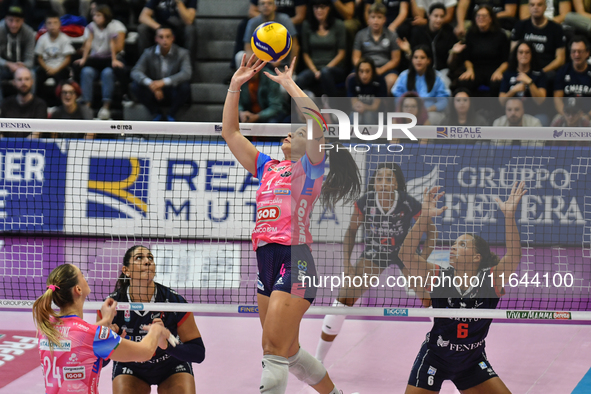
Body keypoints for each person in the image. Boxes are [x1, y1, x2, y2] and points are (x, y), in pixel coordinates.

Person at [222, 53, 361, 393]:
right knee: (288, 351)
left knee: (272, 351)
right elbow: (230, 132)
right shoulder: (267, 167)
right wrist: (234, 87)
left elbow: (318, 125)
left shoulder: (310, 168)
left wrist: (289, 84)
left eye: (297, 132)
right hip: (265, 260)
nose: (290, 133)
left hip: (295, 259)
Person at [400, 182, 527, 393]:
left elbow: (514, 255)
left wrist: (509, 216)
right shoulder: (438, 277)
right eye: (455, 243)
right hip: (435, 359)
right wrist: (424, 217)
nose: (453, 247)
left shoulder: (491, 280)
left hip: (472, 362)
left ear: (477, 257)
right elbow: (405, 256)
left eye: (462, 244)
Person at [315, 162, 436, 364]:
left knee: (427, 297)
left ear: (396, 184)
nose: (383, 183)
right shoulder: (365, 202)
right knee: (345, 297)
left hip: (405, 253)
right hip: (375, 252)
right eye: (379, 179)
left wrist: (422, 259)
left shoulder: (408, 203)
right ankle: (318, 360)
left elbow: (431, 231)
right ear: (374, 183)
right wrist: (347, 264)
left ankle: (452, 351)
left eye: (389, 179)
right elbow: (352, 231)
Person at [32, 263, 173, 394]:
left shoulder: (45, 327)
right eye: (81, 275)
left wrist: (105, 320)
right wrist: (156, 330)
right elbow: (145, 353)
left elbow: (77, 334)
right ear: (78, 289)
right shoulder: (95, 335)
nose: (85, 277)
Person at [97, 245, 205, 394]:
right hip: (131, 367)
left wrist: (167, 344)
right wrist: (108, 343)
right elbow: (98, 361)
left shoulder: (174, 302)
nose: (147, 261)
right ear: (126, 270)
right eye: (139, 258)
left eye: (150, 258)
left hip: (171, 367)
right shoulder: (112, 306)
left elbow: (198, 353)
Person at [74, 4, 126, 120]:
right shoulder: (91, 27)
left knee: (108, 73)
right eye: (94, 15)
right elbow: (88, 43)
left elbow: (113, 44)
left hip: (107, 58)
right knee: (85, 70)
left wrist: (114, 59)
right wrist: (84, 59)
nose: (95, 18)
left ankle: (106, 107)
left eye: (98, 15)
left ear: (105, 16)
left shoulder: (112, 27)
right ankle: (86, 104)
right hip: (95, 59)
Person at [130, 25, 192, 121]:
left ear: (173, 38)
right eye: (161, 37)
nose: (164, 40)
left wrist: (163, 82)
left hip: (172, 90)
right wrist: (151, 84)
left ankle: (171, 114)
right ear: (156, 39)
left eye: (167, 37)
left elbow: (186, 73)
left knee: (185, 87)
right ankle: (156, 113)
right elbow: (135, 71)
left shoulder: (182, 53)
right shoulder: (148, 53)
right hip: (154, 91)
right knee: (135, 86)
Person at [450, 5, 509, 97]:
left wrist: (499, 71)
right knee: (464, 81)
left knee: (497, 83)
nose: (481, 18)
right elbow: (467, 58)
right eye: (478, 16)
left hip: (494, 69)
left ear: (491, 19)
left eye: (484, 16)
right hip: (475, 69)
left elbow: (506, 60)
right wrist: (469, 70)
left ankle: (496, 111)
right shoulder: (470, 34)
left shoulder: (501, 35)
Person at [396, 3, 456, 87]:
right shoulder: (418, 32)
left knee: (444, 83)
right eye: (436, 16)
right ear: (429, 15)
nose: (438, 20)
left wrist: (453, 53)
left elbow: (450, 64)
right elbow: (415, 59)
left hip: (442, 70)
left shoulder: (449, 33)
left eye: (441, 16)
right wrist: (408, 51)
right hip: (422, 70)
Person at [296, 0, 347, 97]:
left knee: (326, 74)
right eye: (316, 7)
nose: (319, 10)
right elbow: (305, 53)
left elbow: (341, 53)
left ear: (329, 8)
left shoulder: (338, 25)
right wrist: (315, 71)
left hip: (334, 68)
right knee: (300, 79)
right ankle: (295, 110)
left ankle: (333, 107)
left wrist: (325, 69)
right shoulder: (307, 25)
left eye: (322, 7)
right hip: (314, 68)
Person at [510, 0, 565, 86]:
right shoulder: (520, 26)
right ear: (528, 7)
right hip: (524, 69)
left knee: (551, 77)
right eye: (532, 5)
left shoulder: (556, 29)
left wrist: (541, 72)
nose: (535, 7)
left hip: (545, 70)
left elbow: (560, 59)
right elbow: (513, 52)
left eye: (539, 5)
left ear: (545, 7)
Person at [392, 45, 450, 124]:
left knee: (428, 119)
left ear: (428, 60)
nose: (418, 60)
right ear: (412, 59)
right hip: (407, 111)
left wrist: (425, 111)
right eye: (415, 57)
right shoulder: (404, 76)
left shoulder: (438, 77)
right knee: (394, 120)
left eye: (422, 58)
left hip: (430, 111)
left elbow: (443, 101)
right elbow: (397, 99)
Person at [352, 2, 401, 92]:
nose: (376, 20)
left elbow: (395, 60)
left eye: (379, 17)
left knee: (392, 80)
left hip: (385, 69)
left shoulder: (392, 35)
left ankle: (386, 106)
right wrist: (365, 70)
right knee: (350, 78)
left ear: (384, 19)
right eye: (373, 17)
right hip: (365, 69)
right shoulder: (360, 35)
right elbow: (355, 58)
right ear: (368, 19)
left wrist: (381, 70)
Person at [35, 11, 75, 106]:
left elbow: (68, 58)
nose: (52, 26)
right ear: (45, 25)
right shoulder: (42, 39)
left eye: (55, 23)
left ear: (60, 24)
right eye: (49, 23)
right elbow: (39, 57)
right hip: (46, 68)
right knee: (37, 77)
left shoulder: (65, 38)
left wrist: (56, 69)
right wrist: (47, 68)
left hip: (60, 67)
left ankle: (59, 105)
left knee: (62, 80)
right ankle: (40, 104)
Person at [0, 5, 35, 103]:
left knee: (31, 74)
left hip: (22, 67)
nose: (14, 25)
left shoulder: (29, 33)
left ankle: (29, 104)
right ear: (5, 19)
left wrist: (22, 65)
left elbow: (30, 59)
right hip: (3, 67)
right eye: (11, 20)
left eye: (17, 21)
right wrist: (7, 64)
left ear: (22, 20)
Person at [0, 67, 46, 138]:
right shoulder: (6, 104)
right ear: (14, 82)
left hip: (31, 147)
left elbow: (37, 132)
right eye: (19, 79)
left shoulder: (40, 105)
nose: (23, 82)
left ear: (32, 82)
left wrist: (23, 146)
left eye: (26, 79)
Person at [554, 36, 591, 117]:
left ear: (587, 53)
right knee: (556, 119)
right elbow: (557, 99)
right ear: (570, 53)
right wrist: (566, 115)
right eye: (573, 51)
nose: (576, 55)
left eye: (580, 51)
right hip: (567, 114)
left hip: (588, 116)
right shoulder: (562, 71)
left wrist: (587, 116)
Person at [346, 57, 388, 124]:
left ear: (373, 71)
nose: (364, 75)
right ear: (357, 71)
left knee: (368, 115)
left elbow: (375, 107)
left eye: (367, 71)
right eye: (361, 71)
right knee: (354, 116)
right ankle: (352, 134)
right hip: (357, 112)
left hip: (377, 114)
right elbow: (354, 104)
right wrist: (359, 107)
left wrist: (364, 107)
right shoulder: (352, 80)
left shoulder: (380, 81)